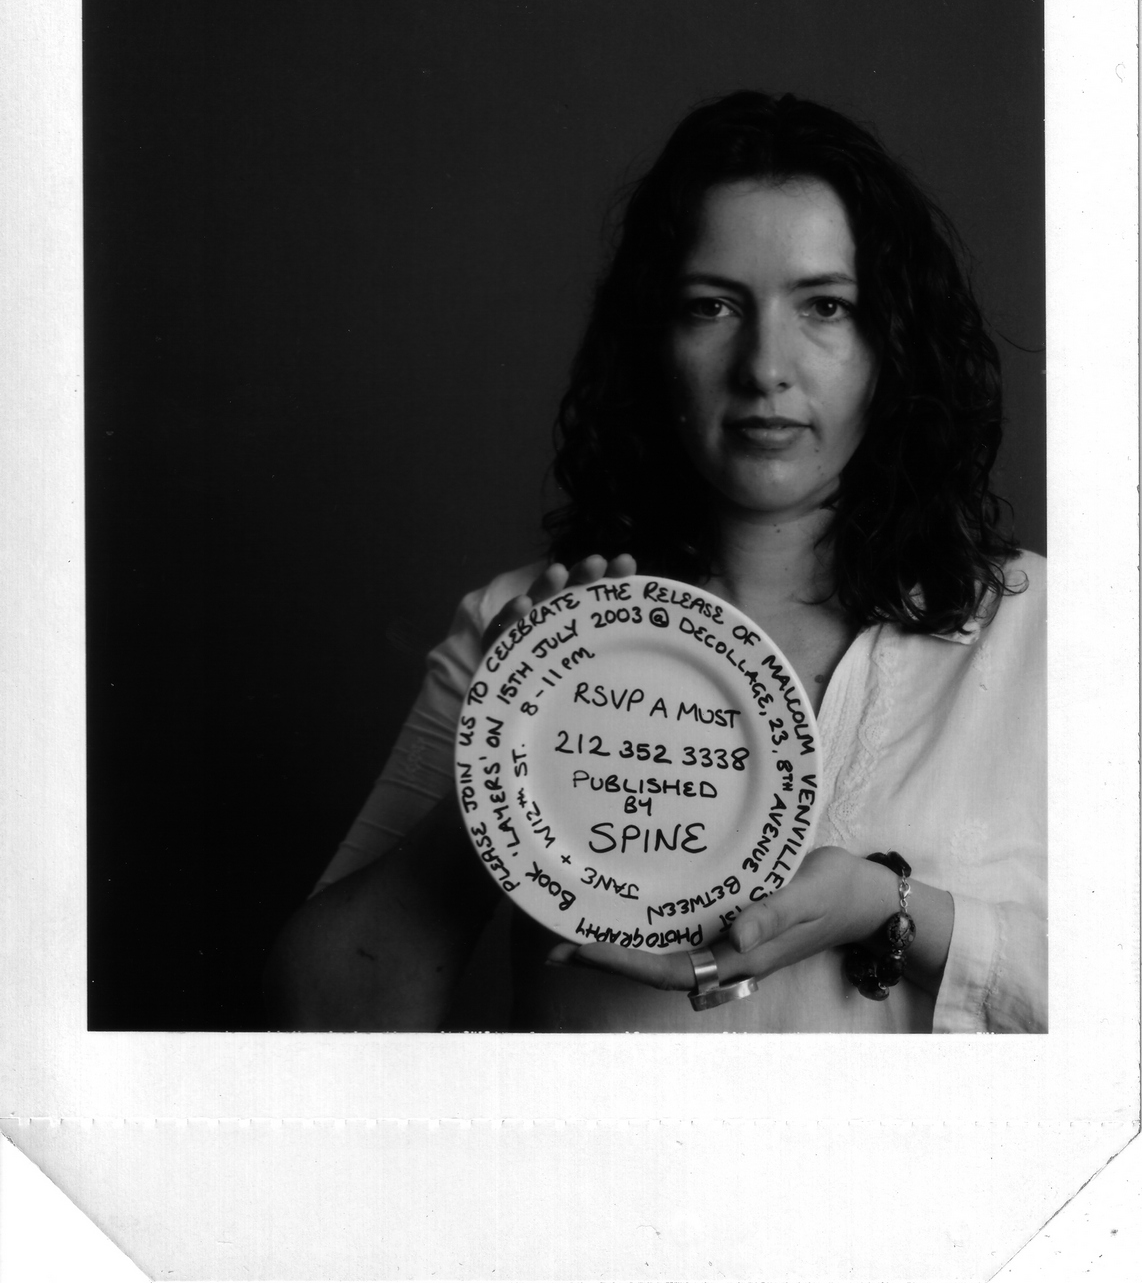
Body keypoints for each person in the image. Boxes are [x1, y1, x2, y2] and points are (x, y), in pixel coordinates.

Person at [265, 90, 1046, 1035]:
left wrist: (891, 910)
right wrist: (506, 771)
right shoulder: (526, 632)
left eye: (825, 306)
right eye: (712, 305)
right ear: (654, 342)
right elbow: (323, 1014)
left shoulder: (1044, 631)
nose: (765, 365)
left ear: (893, 344)